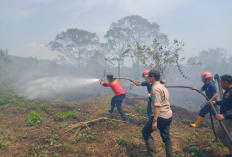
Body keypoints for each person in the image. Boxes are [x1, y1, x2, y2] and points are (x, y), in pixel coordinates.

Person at [142, 69, 173, 157]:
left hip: (160, 116)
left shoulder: (155, 88)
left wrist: (155, 120)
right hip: (168, 115)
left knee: (145, 132)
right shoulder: (163, 86)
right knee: (166, 139)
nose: (148, 79)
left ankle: (152, 154)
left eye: (149, 77)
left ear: (152, 78)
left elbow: (157, 106)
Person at [214, 74, 232, 157]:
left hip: (229, 118)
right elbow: (225, 102)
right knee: (221, 133)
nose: (220, 84)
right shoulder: (227, 91)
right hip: (227, 118)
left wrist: (224, 115)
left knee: (223, 134)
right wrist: (216, 102)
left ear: (226, 82)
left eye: (221, 82)